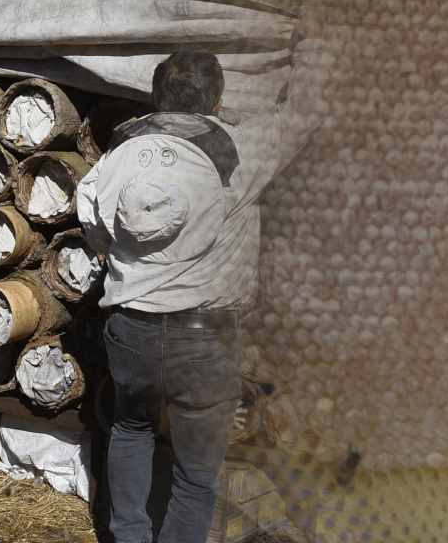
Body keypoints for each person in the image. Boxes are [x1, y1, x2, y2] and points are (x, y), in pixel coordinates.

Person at [76, 44, 324, 543]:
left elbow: (92, 220)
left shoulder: (121, 149)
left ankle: (128, 538)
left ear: (156, 96)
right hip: (205, 339)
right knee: (195, 474)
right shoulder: (241, 149)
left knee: (131, 430)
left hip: (131, 327)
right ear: (215, 101)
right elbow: (304, 113)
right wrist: (312, 47)